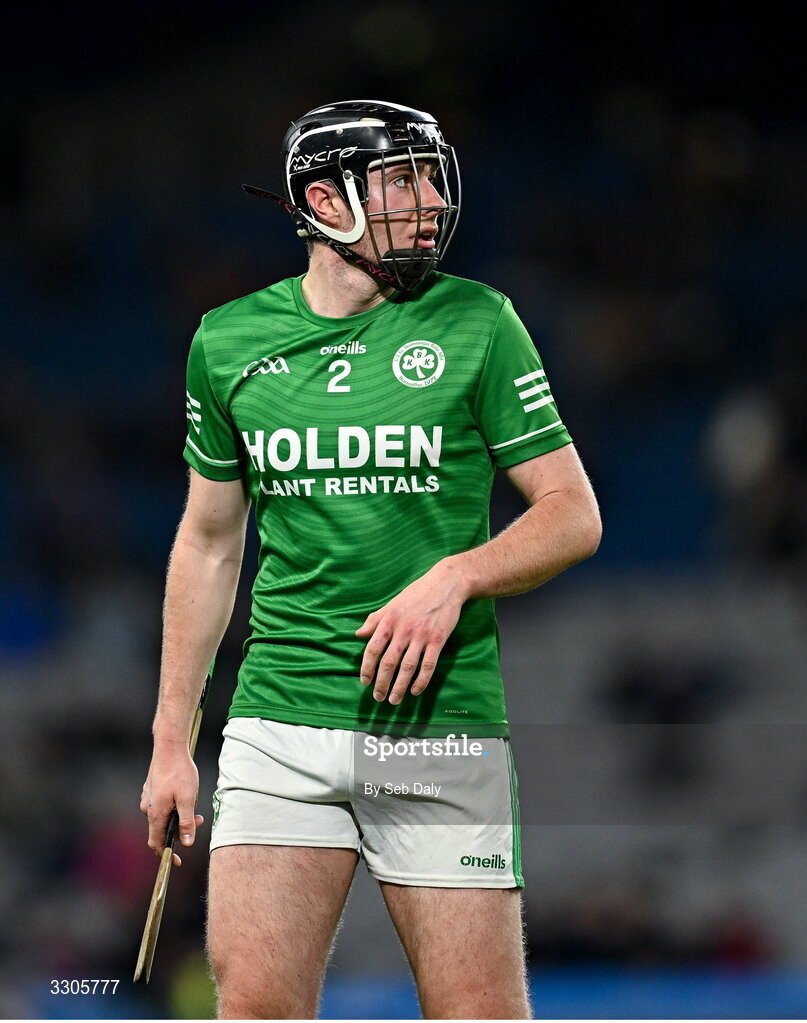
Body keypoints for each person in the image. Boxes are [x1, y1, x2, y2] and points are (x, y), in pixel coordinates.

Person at [140, 99, 601, 1019]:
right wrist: (168, 743)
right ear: (323, 200)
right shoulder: (226, 341)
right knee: (256, 1009)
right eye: (404, 179)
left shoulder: (480, 321)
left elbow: (571, 515)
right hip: (280, 723)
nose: (431, 200)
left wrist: (457, 573)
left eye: (432, 177)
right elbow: (208, 540)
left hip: (438, 726)